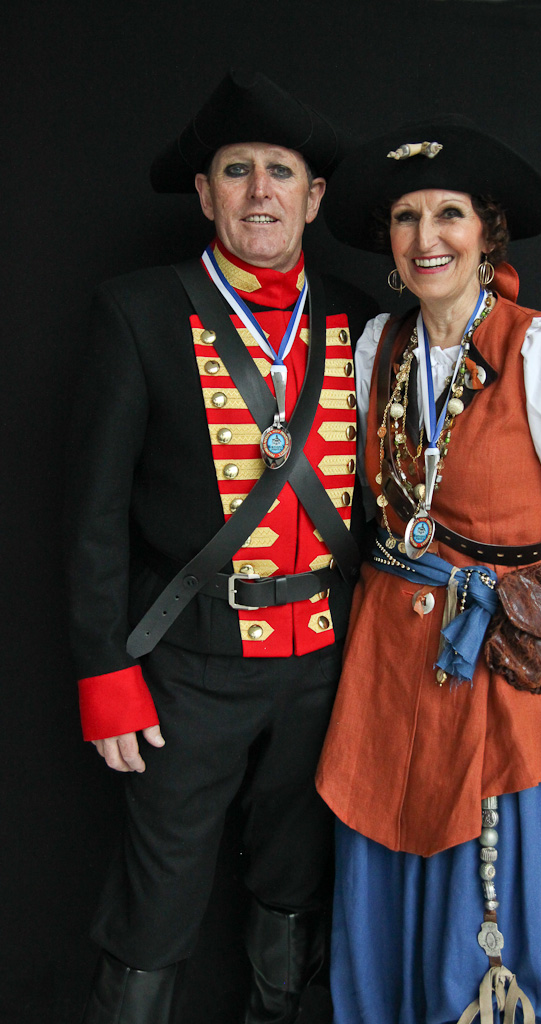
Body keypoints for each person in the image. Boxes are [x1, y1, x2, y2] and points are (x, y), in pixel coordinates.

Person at [315, 117, 541, 1024]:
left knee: (498, 902)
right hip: (388, 667)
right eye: (406, 217)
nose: (426, 238)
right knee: (385, 876)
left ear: (486, 232)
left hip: (501, 663)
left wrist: (535, 638)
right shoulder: (375, 349)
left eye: (448, 214)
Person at [67, 68, 375, 1024]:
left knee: (296, 884)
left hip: (327, 663)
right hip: (187, 666)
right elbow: (92, 514)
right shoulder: (138, 310)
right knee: (156, 904)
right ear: (205, 194)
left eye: (281, 171)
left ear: (313, 198)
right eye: (237, 170)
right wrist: (104, 673)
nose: (259, 191)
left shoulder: (362, 317)